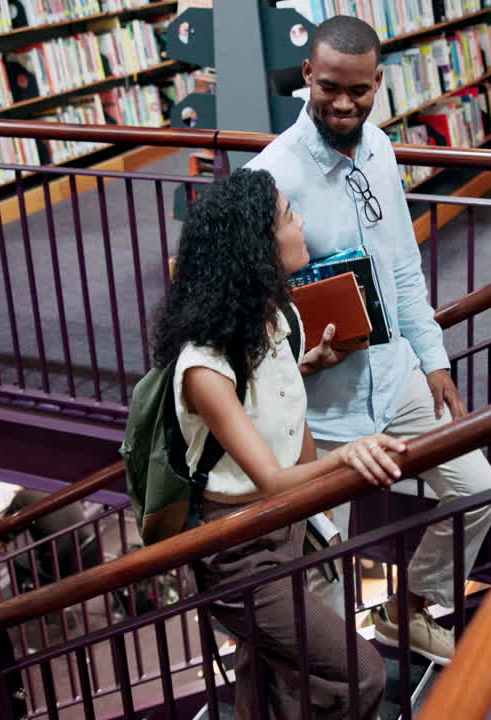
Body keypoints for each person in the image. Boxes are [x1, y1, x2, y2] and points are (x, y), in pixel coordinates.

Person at [245, 15, 491, 664]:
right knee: (322, 572)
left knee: (478, 489)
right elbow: (240, 320)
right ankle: (333, 683)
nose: (342, 103)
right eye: (329, 86)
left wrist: (434, 358)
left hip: (397, 378)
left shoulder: (382, 148)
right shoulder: (269, 179)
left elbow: (403, 269)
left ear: (379, 84)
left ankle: (406, 608)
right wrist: (302, 362)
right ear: (307, 75)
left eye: (358, 91)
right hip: (322, 410)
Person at [151, 169, 400, 719]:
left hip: (284, 524)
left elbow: (270, 403)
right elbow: (269, 477)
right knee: (361, 673)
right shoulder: (204, 367)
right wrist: (347, 457)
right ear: (257, 247)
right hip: (239, 548)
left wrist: (305, 367)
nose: (302, 223)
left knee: (266, 667)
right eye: (290, 217)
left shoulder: (273, 318)